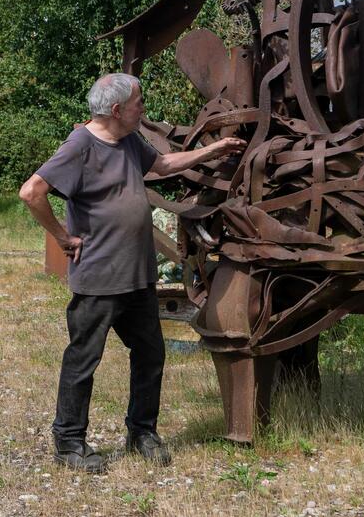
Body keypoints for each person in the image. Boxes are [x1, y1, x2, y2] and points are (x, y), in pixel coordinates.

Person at [19, 72, 246, 473]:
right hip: (100, 280)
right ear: (117, 109)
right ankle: (69, 442)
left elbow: (162, 163)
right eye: (139, 101)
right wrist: (62, 237)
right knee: (83, 360)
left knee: (150, 354)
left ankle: (142, 432)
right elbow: (31, 192)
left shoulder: (128, 140)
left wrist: (214, 152)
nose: (144, 107)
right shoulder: (80, 145)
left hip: (138, 276)